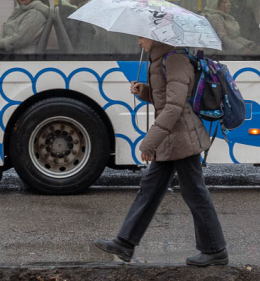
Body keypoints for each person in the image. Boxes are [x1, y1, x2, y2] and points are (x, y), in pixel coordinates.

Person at [93, 37, 229, 267]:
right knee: (150, 189)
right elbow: (166, 97)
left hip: (181, 138)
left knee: (194, 192)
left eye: (141, 37)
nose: (138, 42)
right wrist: (145, 91)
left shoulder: (174, 59)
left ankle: (215, 250)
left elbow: (175, 106)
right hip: (171, 138)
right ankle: (125, 243)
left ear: (155, 37)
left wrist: (149, 142)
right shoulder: (161, 59)